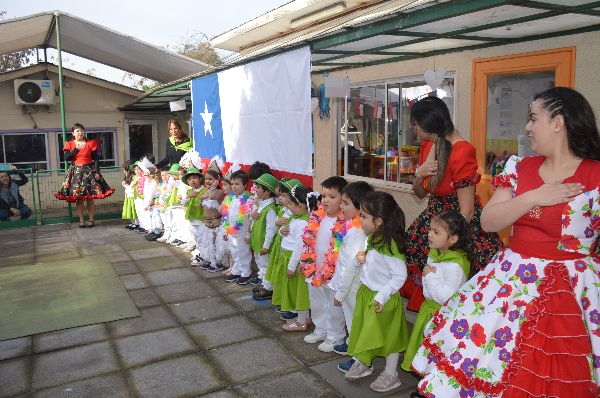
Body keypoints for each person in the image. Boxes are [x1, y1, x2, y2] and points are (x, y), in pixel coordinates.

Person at [412, 87, 600, 397]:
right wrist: (535, 196)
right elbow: (489, 221)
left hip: (576, 291)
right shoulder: (519, 168)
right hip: (513, 286)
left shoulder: (595, 175)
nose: (527, 127)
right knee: (494, 361)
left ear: (559, 122)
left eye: (533, 118)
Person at [402, 97, 503, 312]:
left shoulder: (462, 150)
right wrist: (418, 175)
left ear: (430, 124)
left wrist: (449, 244)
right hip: (436, 218)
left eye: (416, 124)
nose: (414, 129)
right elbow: (419, 194)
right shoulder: (429, 144)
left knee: (456, 281)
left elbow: (466, 210)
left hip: (457, 225)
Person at [340, 191, 409, 393]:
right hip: (367, 293)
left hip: (383, 299)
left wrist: (381, 296)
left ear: (378, 221)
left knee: (389, 337)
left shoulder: (390, 246)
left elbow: (399, 276)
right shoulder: (373, 238)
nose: (359, 219)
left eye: (363, 216)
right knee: (365, 330)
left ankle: (391, 374)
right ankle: (364, 361)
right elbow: (370, 264)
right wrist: (359, 260)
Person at [400, 209, 470, 373]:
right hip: (429, 311)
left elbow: (445, 297)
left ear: (452, 239)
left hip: (441, 316)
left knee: (436, 354)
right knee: (424, 352)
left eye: (436, 232)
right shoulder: (436, 255)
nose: (429, 234)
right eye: (430, 230)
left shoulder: (454, 266)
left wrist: (430, 276)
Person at [299, 176, 348, 353]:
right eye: (324, 195)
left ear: (344, 200)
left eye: (332, 196)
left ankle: (335, 335)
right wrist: (303, 260)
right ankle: (321, 329)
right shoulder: (316, 216)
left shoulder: (345, 223)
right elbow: (307, 241)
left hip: (334, 272)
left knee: (334, 304)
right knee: (317, 300)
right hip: (315, 267)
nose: (326, 200)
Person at [328, 181, 374, 355]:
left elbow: (350, 265)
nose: (341, 206)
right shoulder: (354, 229)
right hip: (348, 285)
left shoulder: (359, 233)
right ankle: (351, 342)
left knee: (354, 318)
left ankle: (356, 353)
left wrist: (340, 292)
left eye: (346, 203)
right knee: (351, 317)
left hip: (352, 287)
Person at [55, 123, 115, 228]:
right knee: (78, 198)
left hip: (89, 171)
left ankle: (91, 220)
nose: (80, 132)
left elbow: (96, 159)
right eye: (78, 131)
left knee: (90, 197)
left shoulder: (91, 143)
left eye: (82, 130)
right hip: (76, 172)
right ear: (73, 133)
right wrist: (76, 149)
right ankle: (81, 221)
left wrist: (97, 172)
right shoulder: (69, 144)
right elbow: (66, 158)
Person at [279, 185, 321, 332]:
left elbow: (299, 247)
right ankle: (305, 317)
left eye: (291, 204)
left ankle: (301, 321)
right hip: (291, 258)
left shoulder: (303, 222)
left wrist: (291, 266)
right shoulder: (296, 217)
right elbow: (288, 232)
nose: (288, 206)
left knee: (300, 292)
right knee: (298, 290)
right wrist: (281, 231)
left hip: (295, 261)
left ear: (302, 205)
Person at [248, 173, 280, 292]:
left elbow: (271, 229)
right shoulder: (261, 204)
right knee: (261, 265)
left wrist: (266, 246)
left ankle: (269, 288)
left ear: (267, 192)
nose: (255, 189)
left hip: (263, 245)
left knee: (266, 266)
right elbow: (255, 220)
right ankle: (264, 283)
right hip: (257, 243)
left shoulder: (270, 209)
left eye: (258, 187)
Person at [222, 170, 253, 285]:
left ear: (245, 185)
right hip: (231, 232)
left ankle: (246, 272)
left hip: (243, 233)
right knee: (234, 252)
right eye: (232, 184)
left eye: (237, 184)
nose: (234, 187)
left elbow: (251, 219)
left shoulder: (249, 200)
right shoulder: (230, 198)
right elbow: (226, 215)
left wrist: (249, 235)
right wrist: (226, 230)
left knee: (243, 253)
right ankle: (236, 270)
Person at [121, 160, 137, 229]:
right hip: (128, 196)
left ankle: (137, 223)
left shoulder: (133, 177)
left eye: (125, 170)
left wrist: (125, 185)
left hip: (132, 196)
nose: (124, 172)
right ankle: (133, 223)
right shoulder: (127, 176)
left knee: (134, 210)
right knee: (130, 210)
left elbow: (131, 186)